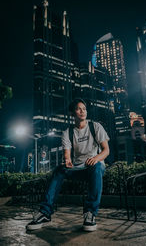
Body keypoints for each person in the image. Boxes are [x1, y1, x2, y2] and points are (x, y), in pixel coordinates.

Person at [26, 98, 110, 232]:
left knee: (98, 166)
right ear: (72, 113)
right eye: (78, 109)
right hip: (78, 168)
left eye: (84, 108)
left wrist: (95, 158)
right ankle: (45, 213)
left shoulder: (95, 126)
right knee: (59, 170)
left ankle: (90, 214)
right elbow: (67, 154)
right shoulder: (67, 132)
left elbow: (106, 150)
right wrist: (67, 161)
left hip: (95, 166)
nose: (82, 111)